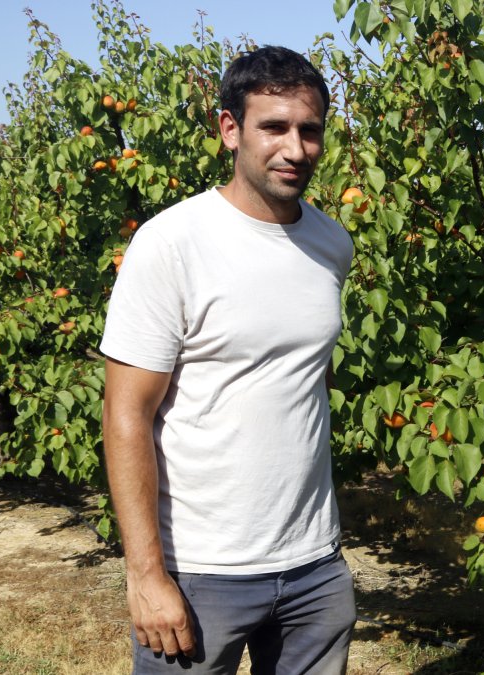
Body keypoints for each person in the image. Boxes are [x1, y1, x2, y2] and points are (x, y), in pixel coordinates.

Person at [101, 45, 355, 673]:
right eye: (274, 127)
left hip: (315, 568)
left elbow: (299, 380)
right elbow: (126, 412)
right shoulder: (172, 245)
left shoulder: (330, 243)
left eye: (310, 130)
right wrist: (146, 576)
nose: (295, 148)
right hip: (201, 573)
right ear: (230, 129)